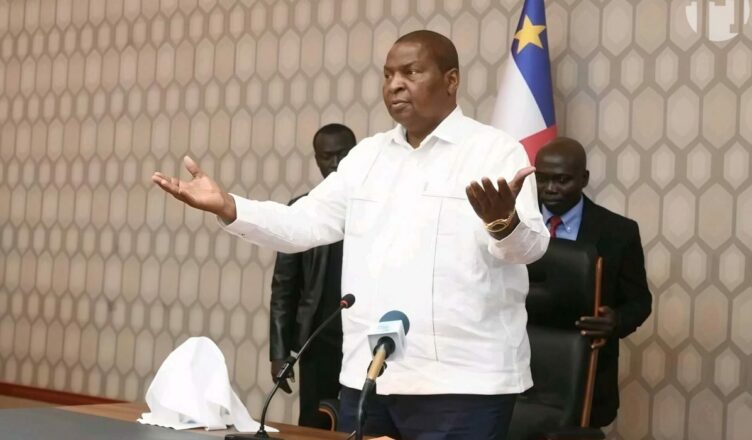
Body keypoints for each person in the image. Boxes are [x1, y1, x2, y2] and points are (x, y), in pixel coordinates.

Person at [153, 30, 549, 439]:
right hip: (369, 376)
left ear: (451, 80)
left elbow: (532, 247)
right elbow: (302, 223)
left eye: (411, 72)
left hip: (463, 384)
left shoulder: (493, 151)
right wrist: (229, 205)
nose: (395, 85)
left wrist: (503, 223)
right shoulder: (367, 157)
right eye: (388, 74)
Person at [534, 137, 652, 427]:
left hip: (587, 372)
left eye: (562, 180)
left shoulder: (618, 232)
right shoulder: (515, 223)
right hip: (518, 369)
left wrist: (616, 320)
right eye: (542, 179)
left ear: (583, 178)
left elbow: (640, 301)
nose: (550, 188)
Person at [269, 123, 357, 428]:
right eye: (326, 156)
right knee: (314, 423)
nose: (334, 163)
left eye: (342, 155)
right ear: (316, 158)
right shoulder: (303, 209)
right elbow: (284, 287)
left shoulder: (375, 208)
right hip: (319, 340)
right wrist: (279, 352)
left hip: (364, 339)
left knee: (362, 423)